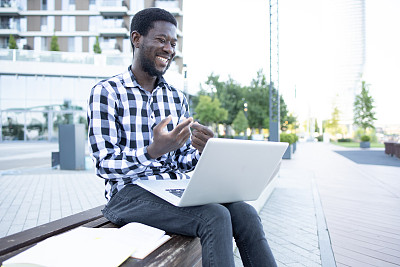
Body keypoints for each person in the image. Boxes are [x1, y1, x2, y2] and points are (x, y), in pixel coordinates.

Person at [87, 8, 277, 267]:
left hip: (172, 189)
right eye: (161, 40)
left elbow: (182, 161)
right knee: (215, 217)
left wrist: (203, 152)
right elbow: (104, 164)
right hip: (126, 195)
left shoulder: (176, 98)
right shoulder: (106, 92)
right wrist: (151, 151)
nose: (169, 48)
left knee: (244, 212)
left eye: (173, 43)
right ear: (136, 39)